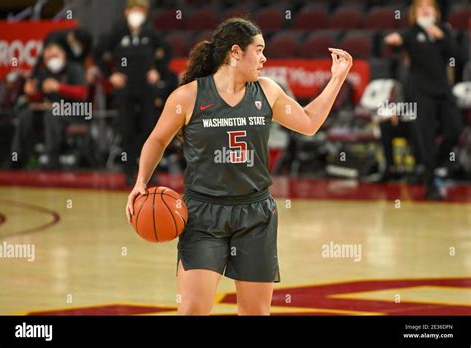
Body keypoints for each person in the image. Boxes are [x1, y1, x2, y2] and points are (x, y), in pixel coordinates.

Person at [125, 18, 352, 315]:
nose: (264, 58)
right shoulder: (188, 96)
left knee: (255, 312)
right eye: (258, 50)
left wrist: (336, 78)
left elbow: (308, 123)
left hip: (255, 214)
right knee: (192, 309)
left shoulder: (267, 91)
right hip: (203, 215)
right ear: (235, 53)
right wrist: (141, 181)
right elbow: (157, 140)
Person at [384, 0, 463, 199]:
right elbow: (396, 43)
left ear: (435, 11)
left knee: (454, 129)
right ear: (414, 12)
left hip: (444, 90)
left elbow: (457, 55)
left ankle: (435, 164)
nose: (425, 9)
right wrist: (392, 41)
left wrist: (442, 37)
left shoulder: (444, 29)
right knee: (425, 137)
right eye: (421, 6)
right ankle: (430, 185)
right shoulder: (411, 32)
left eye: (429, 6)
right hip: (420, 93)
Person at [94, 0, 173, 184]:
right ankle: (129, 171)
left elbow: (167, 50)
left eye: (141, 11)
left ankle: (150, 171)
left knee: (149, 129)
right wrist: (111, 75)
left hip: (146, 88)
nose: (137, 14)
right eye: (134, 10)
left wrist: (157, 70)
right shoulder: (117, 32)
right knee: (127, 129)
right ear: (127, 12)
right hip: (125, 89)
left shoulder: (150, 33)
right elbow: (98, 53)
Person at [11, 40, 88, 169]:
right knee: (26, 115)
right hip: (48, 112)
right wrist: (32, 93)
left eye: (55, 55)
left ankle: (52, 161)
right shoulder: (43, 72)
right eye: (48, 56)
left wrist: (59, 87)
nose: (52, 59)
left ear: (63, 54)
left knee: (52, 114)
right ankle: (18, 158)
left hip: (75, 112)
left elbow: (83, 93)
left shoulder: (75, 69)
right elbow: (40, 97)